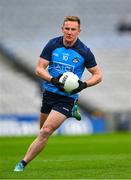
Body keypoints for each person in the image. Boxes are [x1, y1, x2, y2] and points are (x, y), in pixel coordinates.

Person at [14, 16, 102, 172]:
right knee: (42, 132)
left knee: (46, 131)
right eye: (66, 28)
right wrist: (53, 80)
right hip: (49, 93)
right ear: (62, 29)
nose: (69, 32)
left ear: (79, 31)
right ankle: (73, 110)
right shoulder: (52, 44)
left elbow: (98, 75)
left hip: (67, 98)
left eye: (73, 29)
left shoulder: (84, 51)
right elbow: (39, 68)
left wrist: (83, 85)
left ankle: (22, 163)